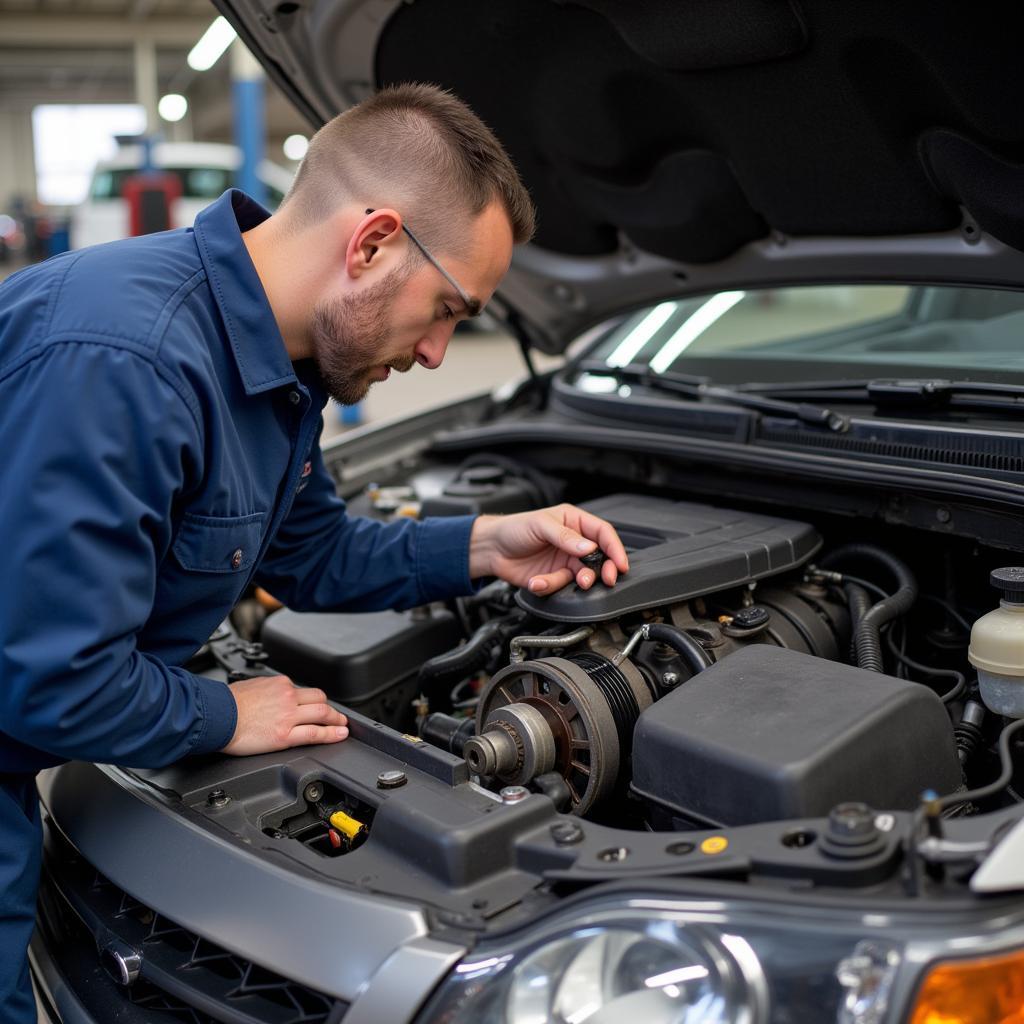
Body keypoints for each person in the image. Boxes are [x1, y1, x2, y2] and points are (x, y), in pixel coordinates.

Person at [0, 83, 629, 1021]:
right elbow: (46, 679)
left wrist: (488, 547)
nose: (437, 356)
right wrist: (219, 714)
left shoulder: (281, 368)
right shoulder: (126, 364)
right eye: (446, 308)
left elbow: (311, 553)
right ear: (372, 243)